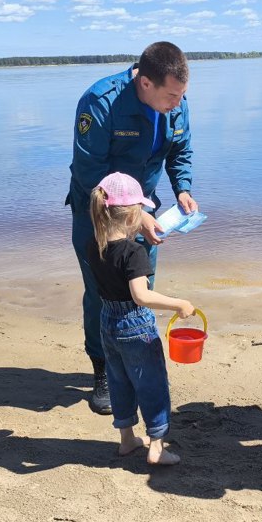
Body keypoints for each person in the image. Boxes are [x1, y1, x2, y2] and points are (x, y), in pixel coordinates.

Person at [64, 41, 198, 414]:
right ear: (145, 84)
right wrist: (135, 215)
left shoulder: (175, 99)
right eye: (171, 95)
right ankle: (103, 370)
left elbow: (180, 150)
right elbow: (91, 172)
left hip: (145, 207)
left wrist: (183, 189)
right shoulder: (101, 101)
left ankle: (137, 361)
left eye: (182, 95)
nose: (178, 103)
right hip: (97, 213)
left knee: (141, 285)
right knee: (104, 291)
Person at [87, 171, 195, 465]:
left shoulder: (93, 245)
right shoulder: (134, 252)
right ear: (133, 215)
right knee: (152, 384)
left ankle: (127, 440)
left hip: (107, 322)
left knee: (119, 380)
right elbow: (141, 296)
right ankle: (157, 448)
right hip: (135, 325)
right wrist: (179, 304)